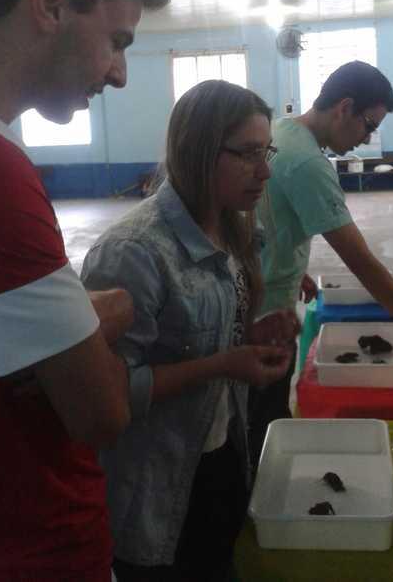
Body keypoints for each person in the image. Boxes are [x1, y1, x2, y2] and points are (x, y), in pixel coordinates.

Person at [0, 0, 170, 581]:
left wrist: (75, 322)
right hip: (34, 545)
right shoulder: (0, 178)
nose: (121, 73)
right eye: (117, 41)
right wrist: (106, 313)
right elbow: (102, 411)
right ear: (52, 3)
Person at [81, 80, 295, 582]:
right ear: (197, 151)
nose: (264, 171)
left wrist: (251, 337)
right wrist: (223, 365)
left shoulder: (230, 225)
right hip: (155, 486)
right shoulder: (133, 253)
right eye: (246, 154)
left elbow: (206, 336)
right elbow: (107, 395)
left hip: (219, 455)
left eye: (267, 152)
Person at [249, 60, 393, 464]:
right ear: (344, 107)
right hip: (265, 315)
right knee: (263, 419)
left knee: (253, 414)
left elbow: (265, 216)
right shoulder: (308, 163)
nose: (367, 138)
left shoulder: (280, 132)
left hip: (260, 289)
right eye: (369, 124)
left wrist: (291, 262)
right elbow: (361, 261)